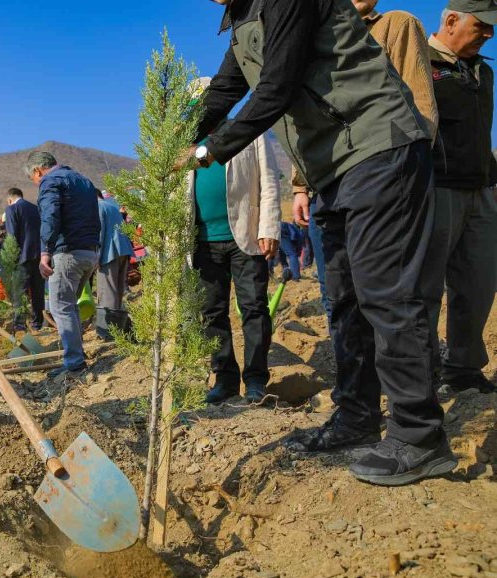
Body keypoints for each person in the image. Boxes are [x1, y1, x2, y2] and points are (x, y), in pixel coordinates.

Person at [192, 0, 453, 486]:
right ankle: (357, 417)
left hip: (376, 144)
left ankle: (419, 435)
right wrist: (174, 139)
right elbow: (225, 89)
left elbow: (277, 86)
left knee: (387, 294)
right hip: (329, 165)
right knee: (344, 300)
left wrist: (208, 151)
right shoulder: (242, 19)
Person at [292, 0, 440, 330]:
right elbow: (303, 119)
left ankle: (400, 378)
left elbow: (421, 105)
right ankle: (355, 381)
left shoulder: (394, 26)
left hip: (382, 172)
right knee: (337, 293)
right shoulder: (307, 36)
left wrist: (410, 166)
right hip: (324, 181)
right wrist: (300, 186)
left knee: (388, 291)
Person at [421, 1, 497, 395]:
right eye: (482, 27)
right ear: (451, 20)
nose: (489, 35)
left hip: (482, 192)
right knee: (427, 287)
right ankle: (424, 371)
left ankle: (464, 369)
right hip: (437, 189)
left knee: (479, 284)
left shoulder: (485, 71)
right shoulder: (418, 60)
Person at [190, 127, 281, 404]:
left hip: (246, 234)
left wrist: (270, 227)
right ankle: (225, 379)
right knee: (211, 312)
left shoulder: (248, 131)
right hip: (202, 240)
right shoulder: (186, 142)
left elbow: (269, 180)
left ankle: (255, 379)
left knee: (254, 307)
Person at [27, 151, 100, 377]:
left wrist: (45, 251)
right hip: (89, 252)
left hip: (67, 253)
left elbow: (50, 216)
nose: (36, 182)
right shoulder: (83, 180)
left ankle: (74, 363)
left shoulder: (51, 181)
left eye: (33, 179)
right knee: (71, 307)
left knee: (61, 307)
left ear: (37, 171)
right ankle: (76, 355)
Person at [95, 191, 135, 341]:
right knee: (118, 290)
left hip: (109, 252)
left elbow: (99, 233)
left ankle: (109, 332)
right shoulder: (112, 206)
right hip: (123, 249)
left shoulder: (98, 207)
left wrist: (96, 257)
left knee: (108, 291)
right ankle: (122, 327)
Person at [4, 187, 44, 330]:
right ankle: (38, 322)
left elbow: (12, 236)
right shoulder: (36, 208)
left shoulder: (11, 209)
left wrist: (11, 260)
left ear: (10, 200)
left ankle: (20, 324)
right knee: (38, 290)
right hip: (40, 256)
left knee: (19, 291)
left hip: (22, 257)